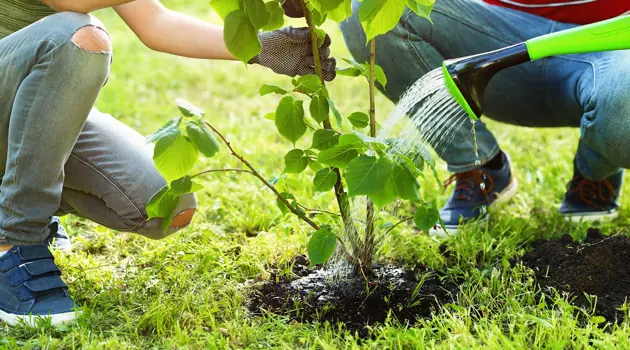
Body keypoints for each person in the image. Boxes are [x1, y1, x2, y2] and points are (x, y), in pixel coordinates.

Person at [0, 0, 335, 326]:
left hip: (23, 110)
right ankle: (14, 238)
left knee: (166, 206)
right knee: (78, 35)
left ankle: (26, 199)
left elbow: (155, 23)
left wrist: (262, 48)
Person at [340, 0, 630, 235]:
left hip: (615, 46)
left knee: (624, 102)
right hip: (495, 34)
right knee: (371, 10)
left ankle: (595, 175)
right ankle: (481, 166)